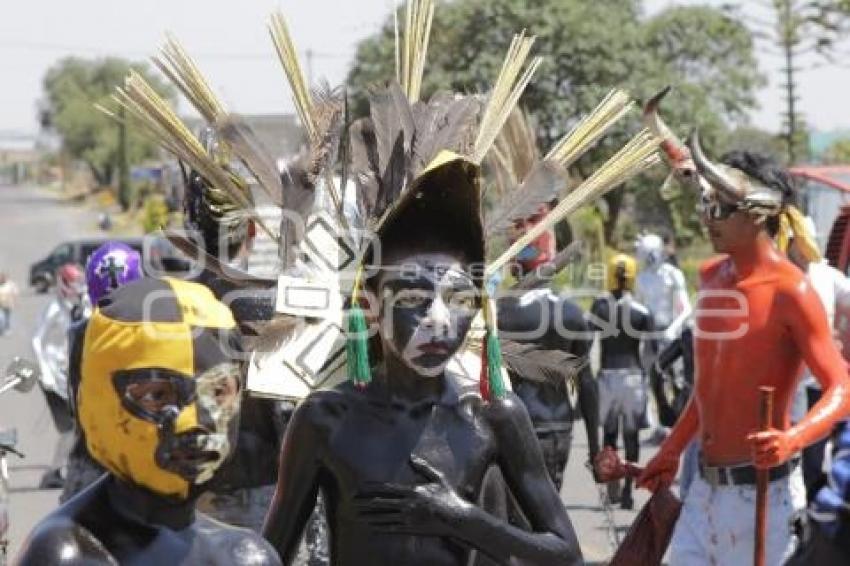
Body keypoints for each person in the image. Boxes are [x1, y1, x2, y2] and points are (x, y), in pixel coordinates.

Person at [262, 139, 583, 564]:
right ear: (370, 308)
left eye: (459, 299)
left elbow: (565, 554)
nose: (439, 320)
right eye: (413, 298)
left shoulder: (494, 415)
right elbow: (271, 553)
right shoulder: (323, 418)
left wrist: (462, 519)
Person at [636, 130, 850, 564]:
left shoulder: (792, 291)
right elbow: (708, 390)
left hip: (765, 499)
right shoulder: (712, 279)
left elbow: (841, 388)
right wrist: (672, 450)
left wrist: (792, 439)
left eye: (721, 208)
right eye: (705, 205)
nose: (707, 218)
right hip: (702, 492)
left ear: (757, 214)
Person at [15, 277, 280, 565]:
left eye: (217, 393)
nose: (192, 422)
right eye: (156, 395)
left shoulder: (246, 555)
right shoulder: (67, 555)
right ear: (95, 402)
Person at [497, 202, 600, 490]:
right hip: (557, 430)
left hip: (512, 430)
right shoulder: (571, 313)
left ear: (513, 264)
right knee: (551, 517)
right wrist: (595, 449)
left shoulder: (497, 314)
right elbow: (587, 384)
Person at [61, 241, 143, 502]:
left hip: (87, 467)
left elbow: (75, 405)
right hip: (141, 465)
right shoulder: (154, 332)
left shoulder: (78, 333)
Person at [781, 215, 850, 503]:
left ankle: (810, 519)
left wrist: (840, 340)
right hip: (789, 383)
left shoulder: (826, 276)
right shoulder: (780, 277)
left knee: (813, 458)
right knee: (794, 459)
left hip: (820, 383)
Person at [588, 253, 653, 510]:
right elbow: (649, 350)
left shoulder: (600, 307)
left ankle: (612, 480)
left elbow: (589, 343)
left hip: (608, 374)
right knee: (632, 435)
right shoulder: (641, 311)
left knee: (610, 434)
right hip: (633, 375)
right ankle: (628, 490)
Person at [31, 263, 89, 489]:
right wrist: (44, 370)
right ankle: (54, 472)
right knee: (69, 428)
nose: (77, 288)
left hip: (70, 375)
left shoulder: (78, 306)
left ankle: (64, 468)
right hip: (52, 377)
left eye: (80, 283)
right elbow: (36, 340)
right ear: (63, 283)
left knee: (80, 425)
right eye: (73, 284)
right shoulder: (54, 309)